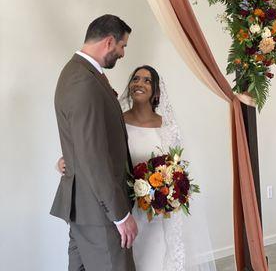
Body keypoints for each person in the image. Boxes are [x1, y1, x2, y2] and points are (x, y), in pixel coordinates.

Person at [58, 65, 216, 271]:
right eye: (135, 79)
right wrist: (66, 160)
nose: (139, 83)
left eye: (147, 80)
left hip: (159, 213)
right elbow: (93, 152)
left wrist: (170, 189)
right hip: (126, 210)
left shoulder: (168, 126)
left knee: (159, 259)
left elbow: (177, 167)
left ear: (157, 91)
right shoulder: (117, 122)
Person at [51, 14, 138, 271]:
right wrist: (120, 215)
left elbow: (82, 143)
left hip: (85, 206)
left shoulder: (80, 73)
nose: (122, 53)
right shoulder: (83, 81)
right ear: (109, 42)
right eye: (122, 46)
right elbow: (94, 156)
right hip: (99, 210)